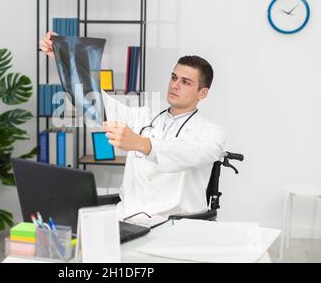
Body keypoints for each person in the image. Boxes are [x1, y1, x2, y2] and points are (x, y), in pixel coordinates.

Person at [40, 31, 226, 220]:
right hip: (127, 219)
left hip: (175, 228)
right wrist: (64, 58)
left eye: (185, 82)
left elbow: (189, 151)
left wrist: (140, 143)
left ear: (202, 93)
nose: (175, 85)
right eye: (173, 77)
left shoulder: (212, 133)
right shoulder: (143, 117)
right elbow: (93, 99)